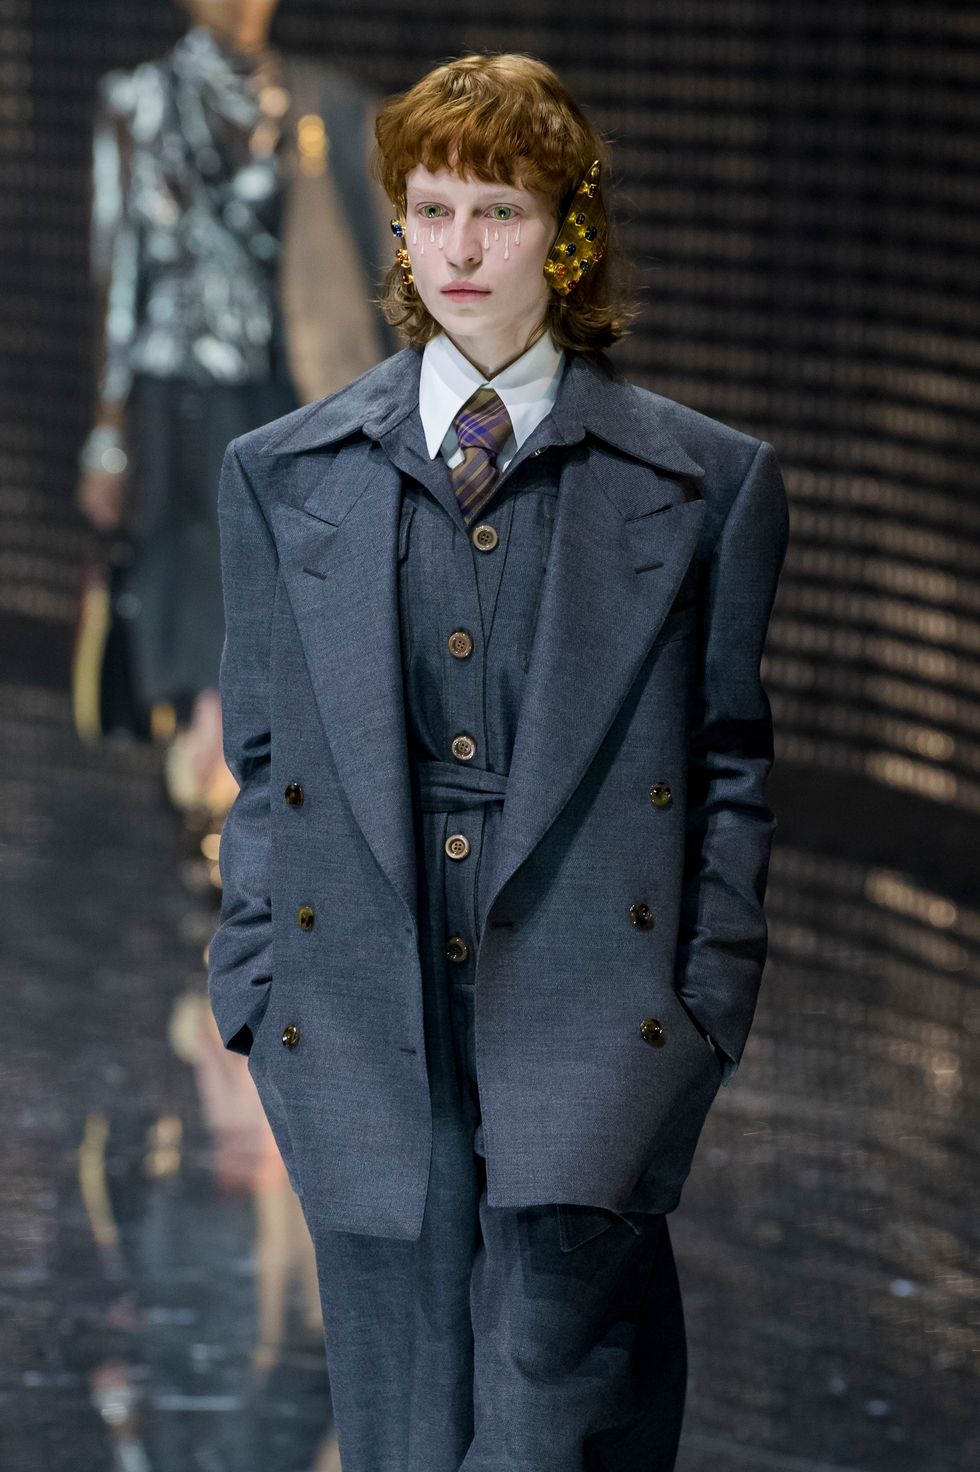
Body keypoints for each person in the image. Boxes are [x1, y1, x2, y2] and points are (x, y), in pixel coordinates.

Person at [209, 51, 789, 1472]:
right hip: (359, 1007)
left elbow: (725, 765)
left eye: (502, 211)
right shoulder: (286, 480)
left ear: (567, 231)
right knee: (403, 1426)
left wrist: (701, 1008)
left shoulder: (703, 485)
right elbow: (270, 750)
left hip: (594, 1006)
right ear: (398, 228)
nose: (462, 249)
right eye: (433, 209)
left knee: (549, 1413)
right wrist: (255, 985)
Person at [75, 0, 392, 814]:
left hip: (298, 387)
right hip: (184, 398)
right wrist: (108, 435)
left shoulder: (324, 101)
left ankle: (285, 795)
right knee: (198, 600)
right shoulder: (139, 100)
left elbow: (377, 260)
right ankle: (211, 801)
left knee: (301, 594)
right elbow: (120, 274)